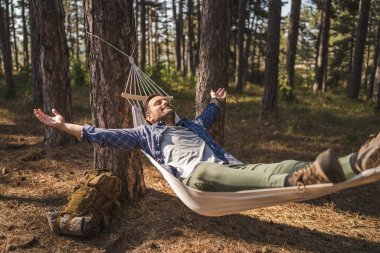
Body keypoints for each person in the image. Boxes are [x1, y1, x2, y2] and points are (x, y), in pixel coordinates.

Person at [34, 88, 380, 192]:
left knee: (283, 166)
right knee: (254, 175)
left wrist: (217, 101)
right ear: (149, 116)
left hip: (233, 167)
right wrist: (63, 126)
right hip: (198, 179)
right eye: (156, 103)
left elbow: (210, 115)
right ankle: (302, 179)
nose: (163, 102)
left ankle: (358, 161)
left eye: (165, 100)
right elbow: (100, 135)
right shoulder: (144, 135)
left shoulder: (194, 125)